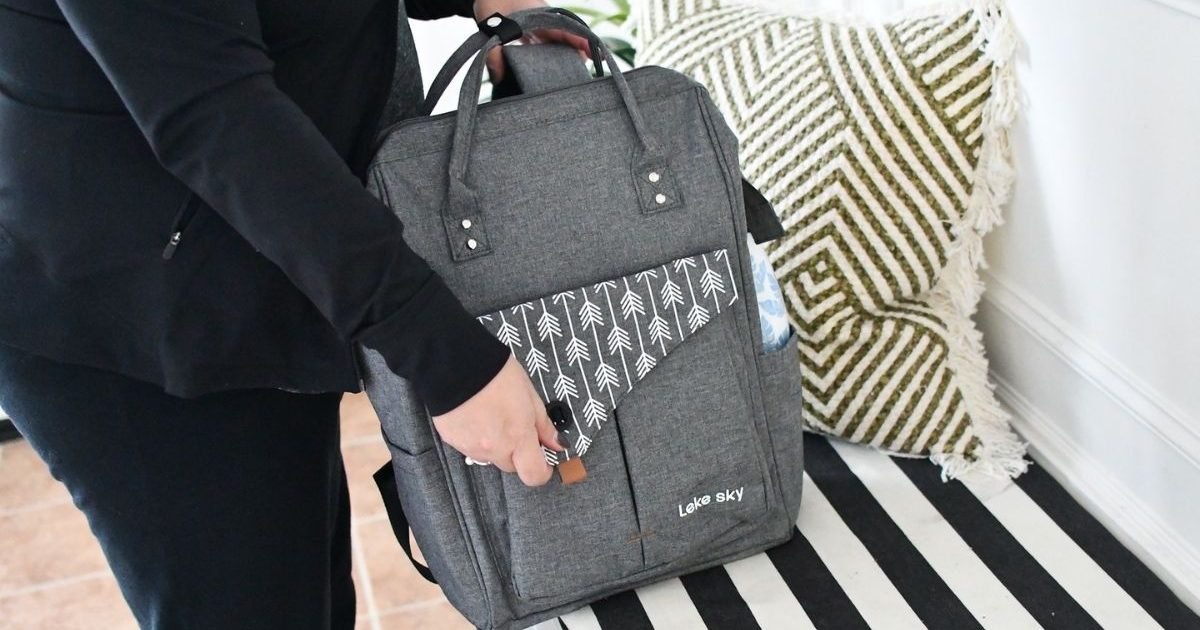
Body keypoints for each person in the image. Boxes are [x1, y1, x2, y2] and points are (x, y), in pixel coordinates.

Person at [0, 0, 589, 627]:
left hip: (263, 267)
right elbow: (217, 116)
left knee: (307, 602)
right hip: (142, 325)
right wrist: (447, 357)